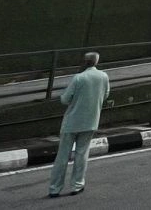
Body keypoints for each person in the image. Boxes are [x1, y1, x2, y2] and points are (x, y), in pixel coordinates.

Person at [48, 52, 110, 198]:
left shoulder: (79, 77)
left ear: (84, 61)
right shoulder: (104, 77)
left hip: (71, 122)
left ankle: (55, 188)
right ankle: (77, 185)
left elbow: (65, 99)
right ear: (96, 62)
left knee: (62, 156)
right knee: (82, 154)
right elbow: (106, 94)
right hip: (90, 121)